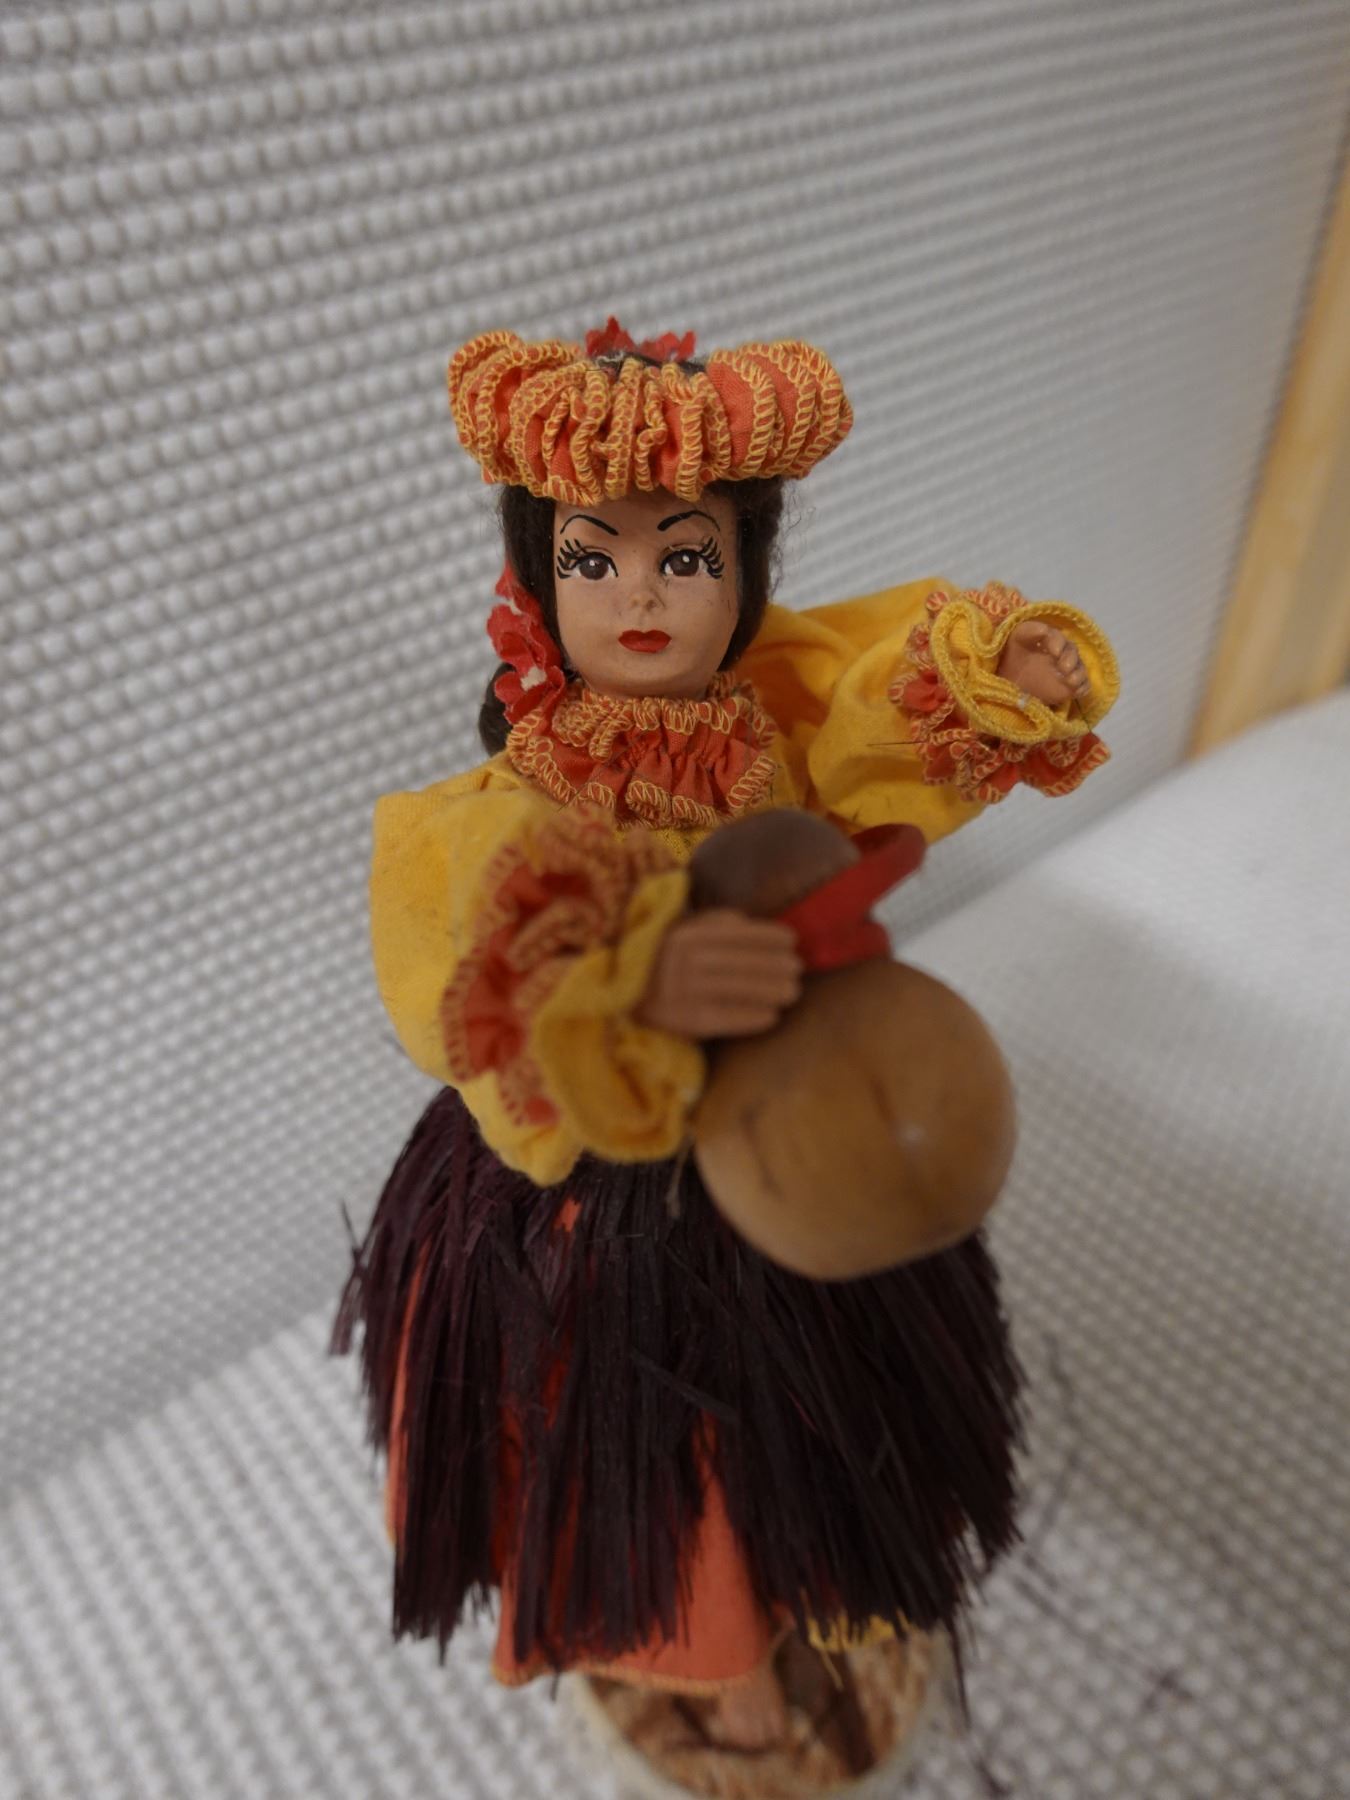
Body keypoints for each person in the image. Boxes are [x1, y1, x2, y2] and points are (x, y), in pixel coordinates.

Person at [335, 319, 1120, 1770]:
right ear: (538, 581)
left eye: (684, 557)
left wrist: (997, 673)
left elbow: (872, 706)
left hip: (791, 1145)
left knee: (806, 1437)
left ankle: (809, 1601)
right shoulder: (507, 801)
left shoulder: (770, 718)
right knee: (659, 1464)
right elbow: (462, 935)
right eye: (595, 560)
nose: (640, 594)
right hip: (601, 1199)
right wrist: (627, 981)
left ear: (742, 575)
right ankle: (707, 1669)